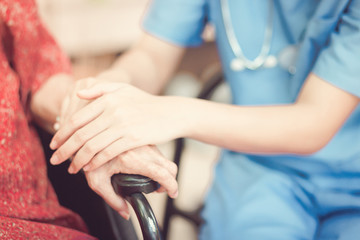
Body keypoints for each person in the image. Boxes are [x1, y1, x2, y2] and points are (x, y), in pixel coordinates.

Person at [49, 0, 360, 239]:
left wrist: (169, 111)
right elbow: (152, 56)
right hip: (258, 172)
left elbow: (313, 124)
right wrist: (108, 90)